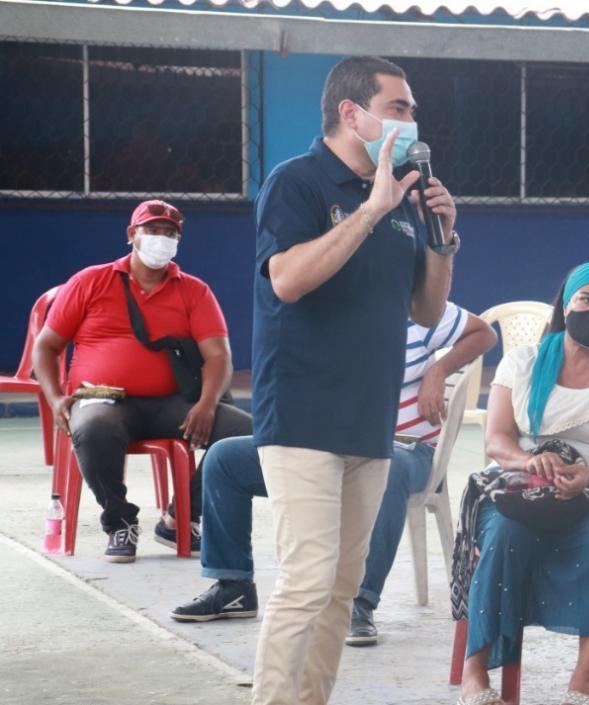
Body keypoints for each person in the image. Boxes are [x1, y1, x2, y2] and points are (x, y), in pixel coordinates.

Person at [250, 56, 457, 705]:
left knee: (343, 587)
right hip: (305, 411)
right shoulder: (299, 183)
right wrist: (369, 210)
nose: (411, 121)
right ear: (351, 112)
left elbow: (424, 310)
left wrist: (443, 240)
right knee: (307, 580)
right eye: (398, 107)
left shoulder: (403, 195)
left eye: (412, 110)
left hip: (371, 419)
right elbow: (286, 278)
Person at [168, 303, 494, 649]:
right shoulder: (322, 313)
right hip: (325, 447)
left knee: (388, 465)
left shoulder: (415, 309)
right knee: (225, 458)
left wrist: (438, 370)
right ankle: (233, 586)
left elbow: (484, 334)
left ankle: (359, 602)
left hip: (403, 447)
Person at [454, 262, 589, 705]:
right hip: (516, 487)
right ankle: (475, 672)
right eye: (587, 299)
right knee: (504, 534)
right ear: (565, 306)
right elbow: (496, 440)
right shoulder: (523, 362)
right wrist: (532, 462)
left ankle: (582, 681)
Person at [31, 199, 252, 562]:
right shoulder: (91, 281)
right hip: (104, 399)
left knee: (249, 436)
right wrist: (56, 398)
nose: (161, 240)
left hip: (172, 403)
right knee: (93, 426)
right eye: (152, 231)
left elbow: (218, 356)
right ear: (132, 235)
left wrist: (207, 405)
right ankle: (119, 522)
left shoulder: (194, 291)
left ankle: (179, 516)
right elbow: (47, 346)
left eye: (170, 234)